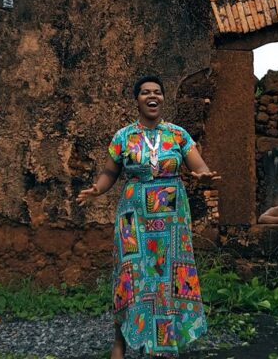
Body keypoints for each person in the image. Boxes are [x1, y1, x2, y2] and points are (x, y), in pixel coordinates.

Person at [77, 75, 220, 358]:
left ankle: (163, 345)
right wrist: (97, 189)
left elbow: (199, 166)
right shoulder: (124, 136)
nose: (152, 96)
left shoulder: (178, 135)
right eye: (145, 92)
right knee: (129, 274)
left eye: (157, 92)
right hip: (134, 215)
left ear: (163, 98)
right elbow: (110, 172)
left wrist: (204, 178)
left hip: (171, 218)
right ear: (137, 100)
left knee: (167, 277)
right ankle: (120, 341)